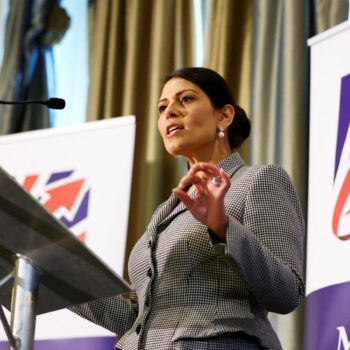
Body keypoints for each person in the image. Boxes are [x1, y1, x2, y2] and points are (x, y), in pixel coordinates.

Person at [70, 67, 305, 350]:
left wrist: (223, 226)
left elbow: (287, 293)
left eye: (186, 99)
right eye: (162, 106)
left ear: (224, 116)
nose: (169, 111)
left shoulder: (259, 180)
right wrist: (58, 274)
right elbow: (140, 319)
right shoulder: (165, 212)